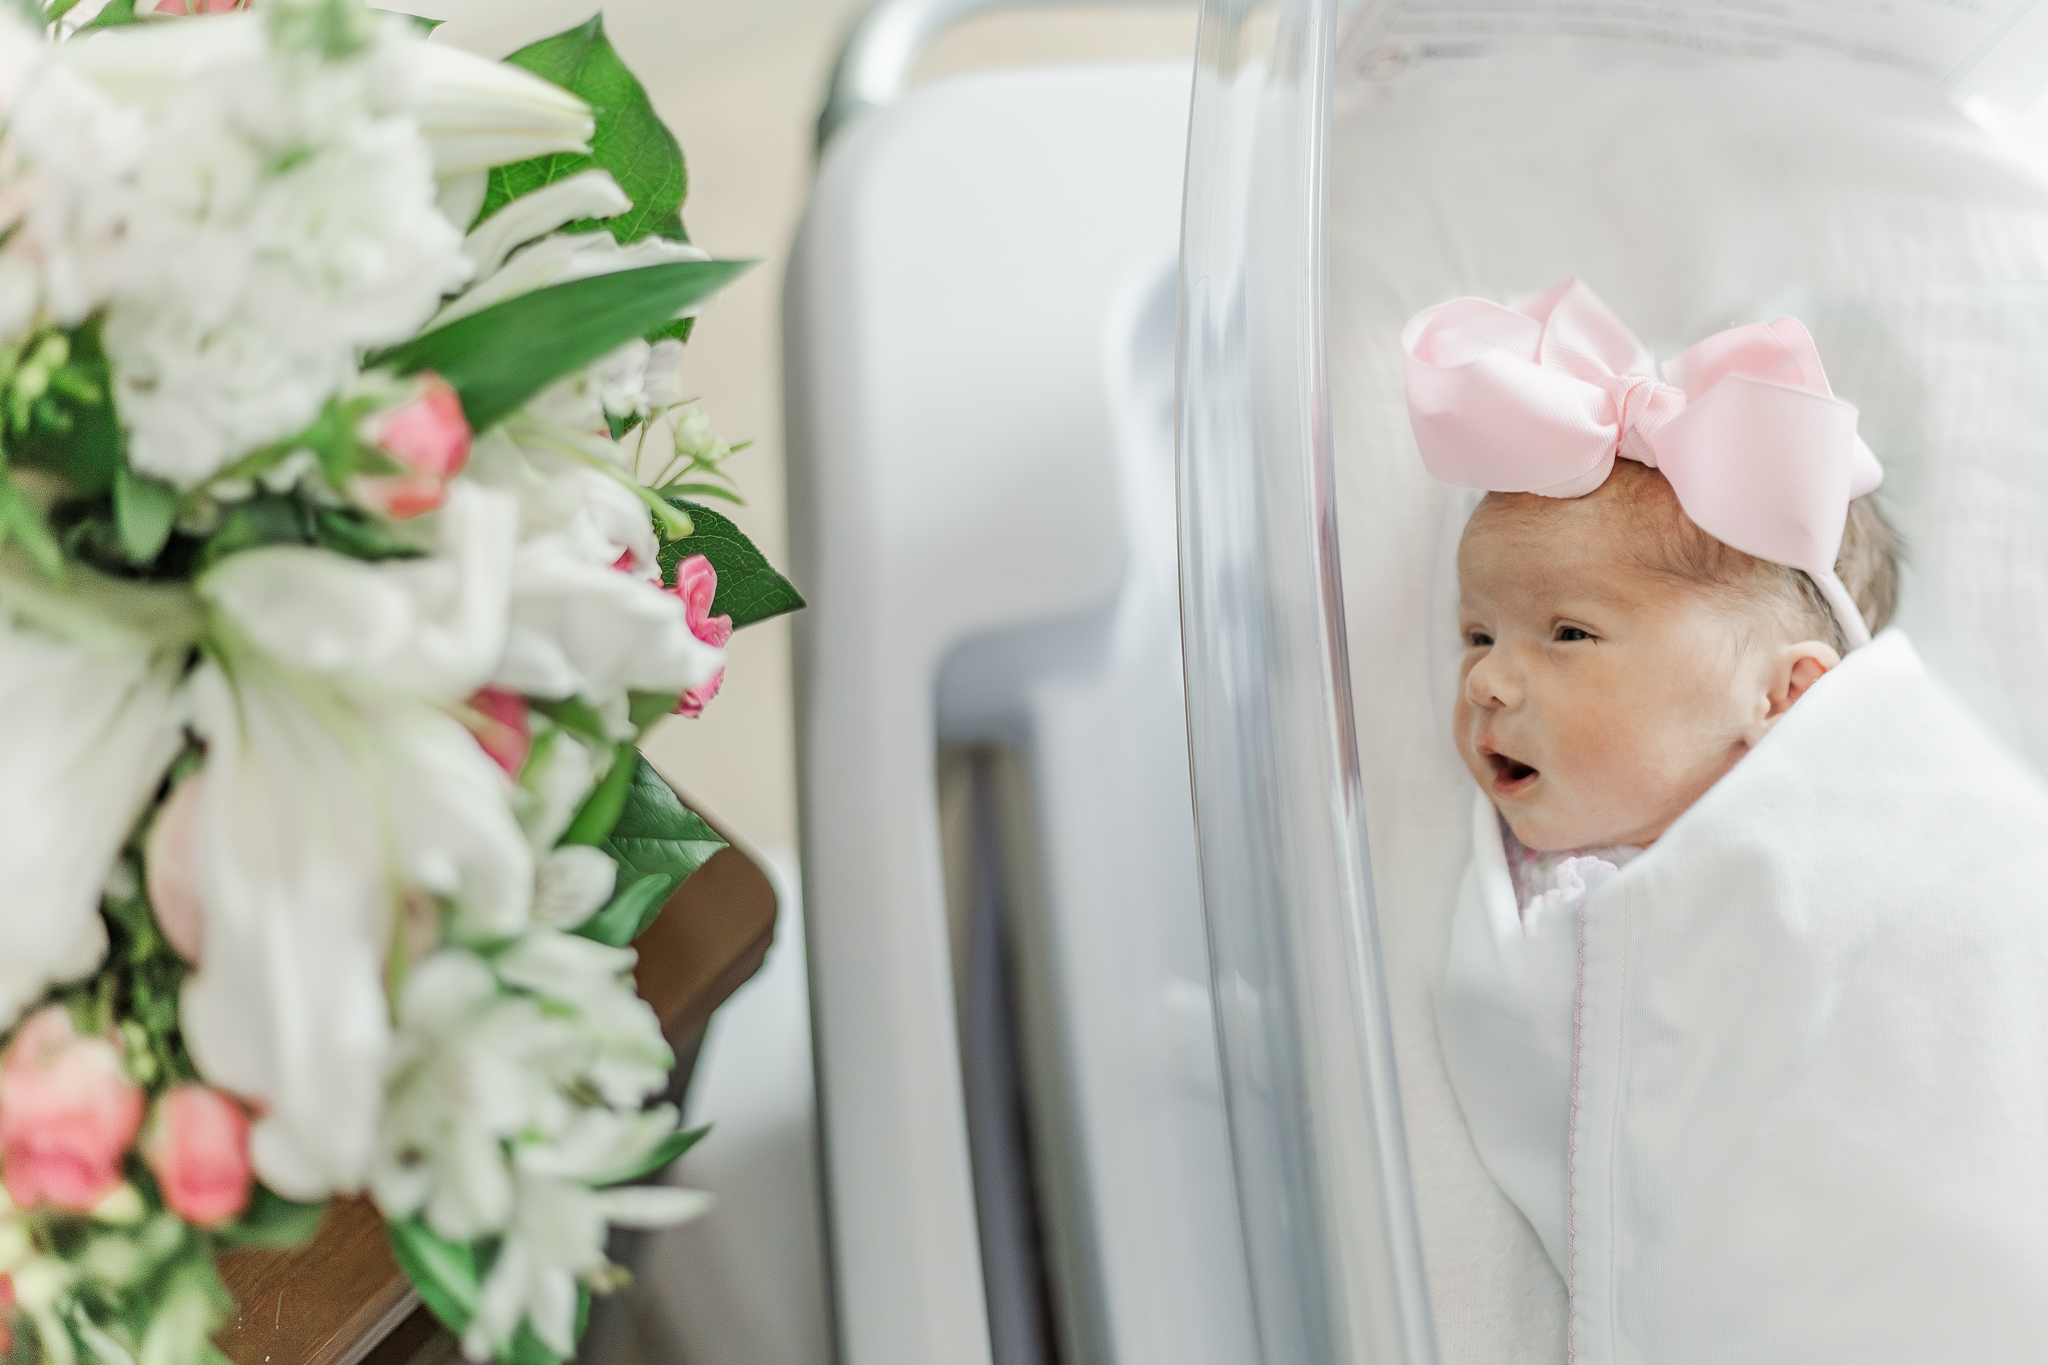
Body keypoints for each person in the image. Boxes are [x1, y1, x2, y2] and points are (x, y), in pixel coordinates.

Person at [1407, 279, 2048, 1363]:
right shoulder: (1554, 892)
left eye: (1566, 634)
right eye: (1475, 635)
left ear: (1786, 696)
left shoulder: (1895, 837)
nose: (1488, 686)